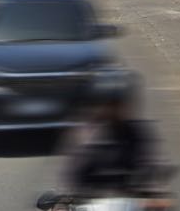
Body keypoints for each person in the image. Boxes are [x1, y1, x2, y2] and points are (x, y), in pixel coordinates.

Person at [59, 69, 165, 200]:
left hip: (132, 202)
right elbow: (72, 178)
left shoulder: (138, 132)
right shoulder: (84, 136)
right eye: (112, 104)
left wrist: (154, 191)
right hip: (93, 203)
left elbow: (151, 164)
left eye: (123, 103)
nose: (119, 109)